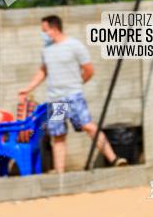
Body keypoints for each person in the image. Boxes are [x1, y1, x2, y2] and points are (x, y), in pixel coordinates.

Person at [18, 15, 127, 173]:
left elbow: (89, 70)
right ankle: (60, 173)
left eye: (45, 30)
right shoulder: (46, 50)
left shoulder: (75, 46)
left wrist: (76, 84)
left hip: (73, 96)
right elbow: (43, 71)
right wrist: (28, 88)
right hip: (56, 101)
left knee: (88, 126)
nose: (43, 34)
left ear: (54, 29)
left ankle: (114, 159)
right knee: (58, 134)